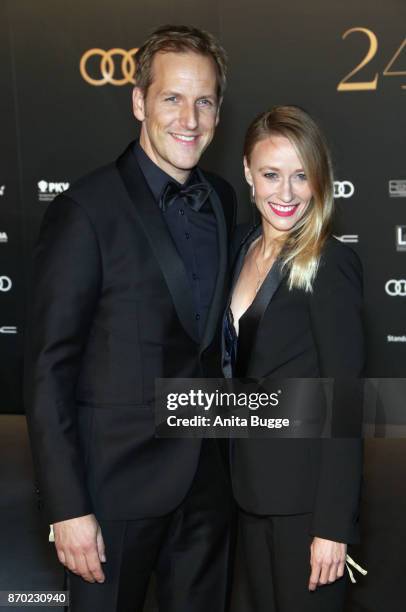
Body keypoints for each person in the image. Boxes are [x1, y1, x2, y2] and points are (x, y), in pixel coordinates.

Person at [25, 24, 236, 612]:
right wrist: (67, 508)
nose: (189, 119)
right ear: (139, 101)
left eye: (204, 102)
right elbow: (47, 370)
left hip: (208, 491)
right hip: (112, 496)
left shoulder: (221, 197)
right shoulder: (83, 212)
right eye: (172, 98)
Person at [225, 106, 364, 611]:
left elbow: (346, 402)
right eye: (271, 174)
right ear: (247, 172)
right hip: (245, 492)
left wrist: (332, 526)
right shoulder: (239, 246)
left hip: (306, 505)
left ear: (319, 180)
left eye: (301, 176)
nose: (285, 193)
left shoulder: (329, 262)